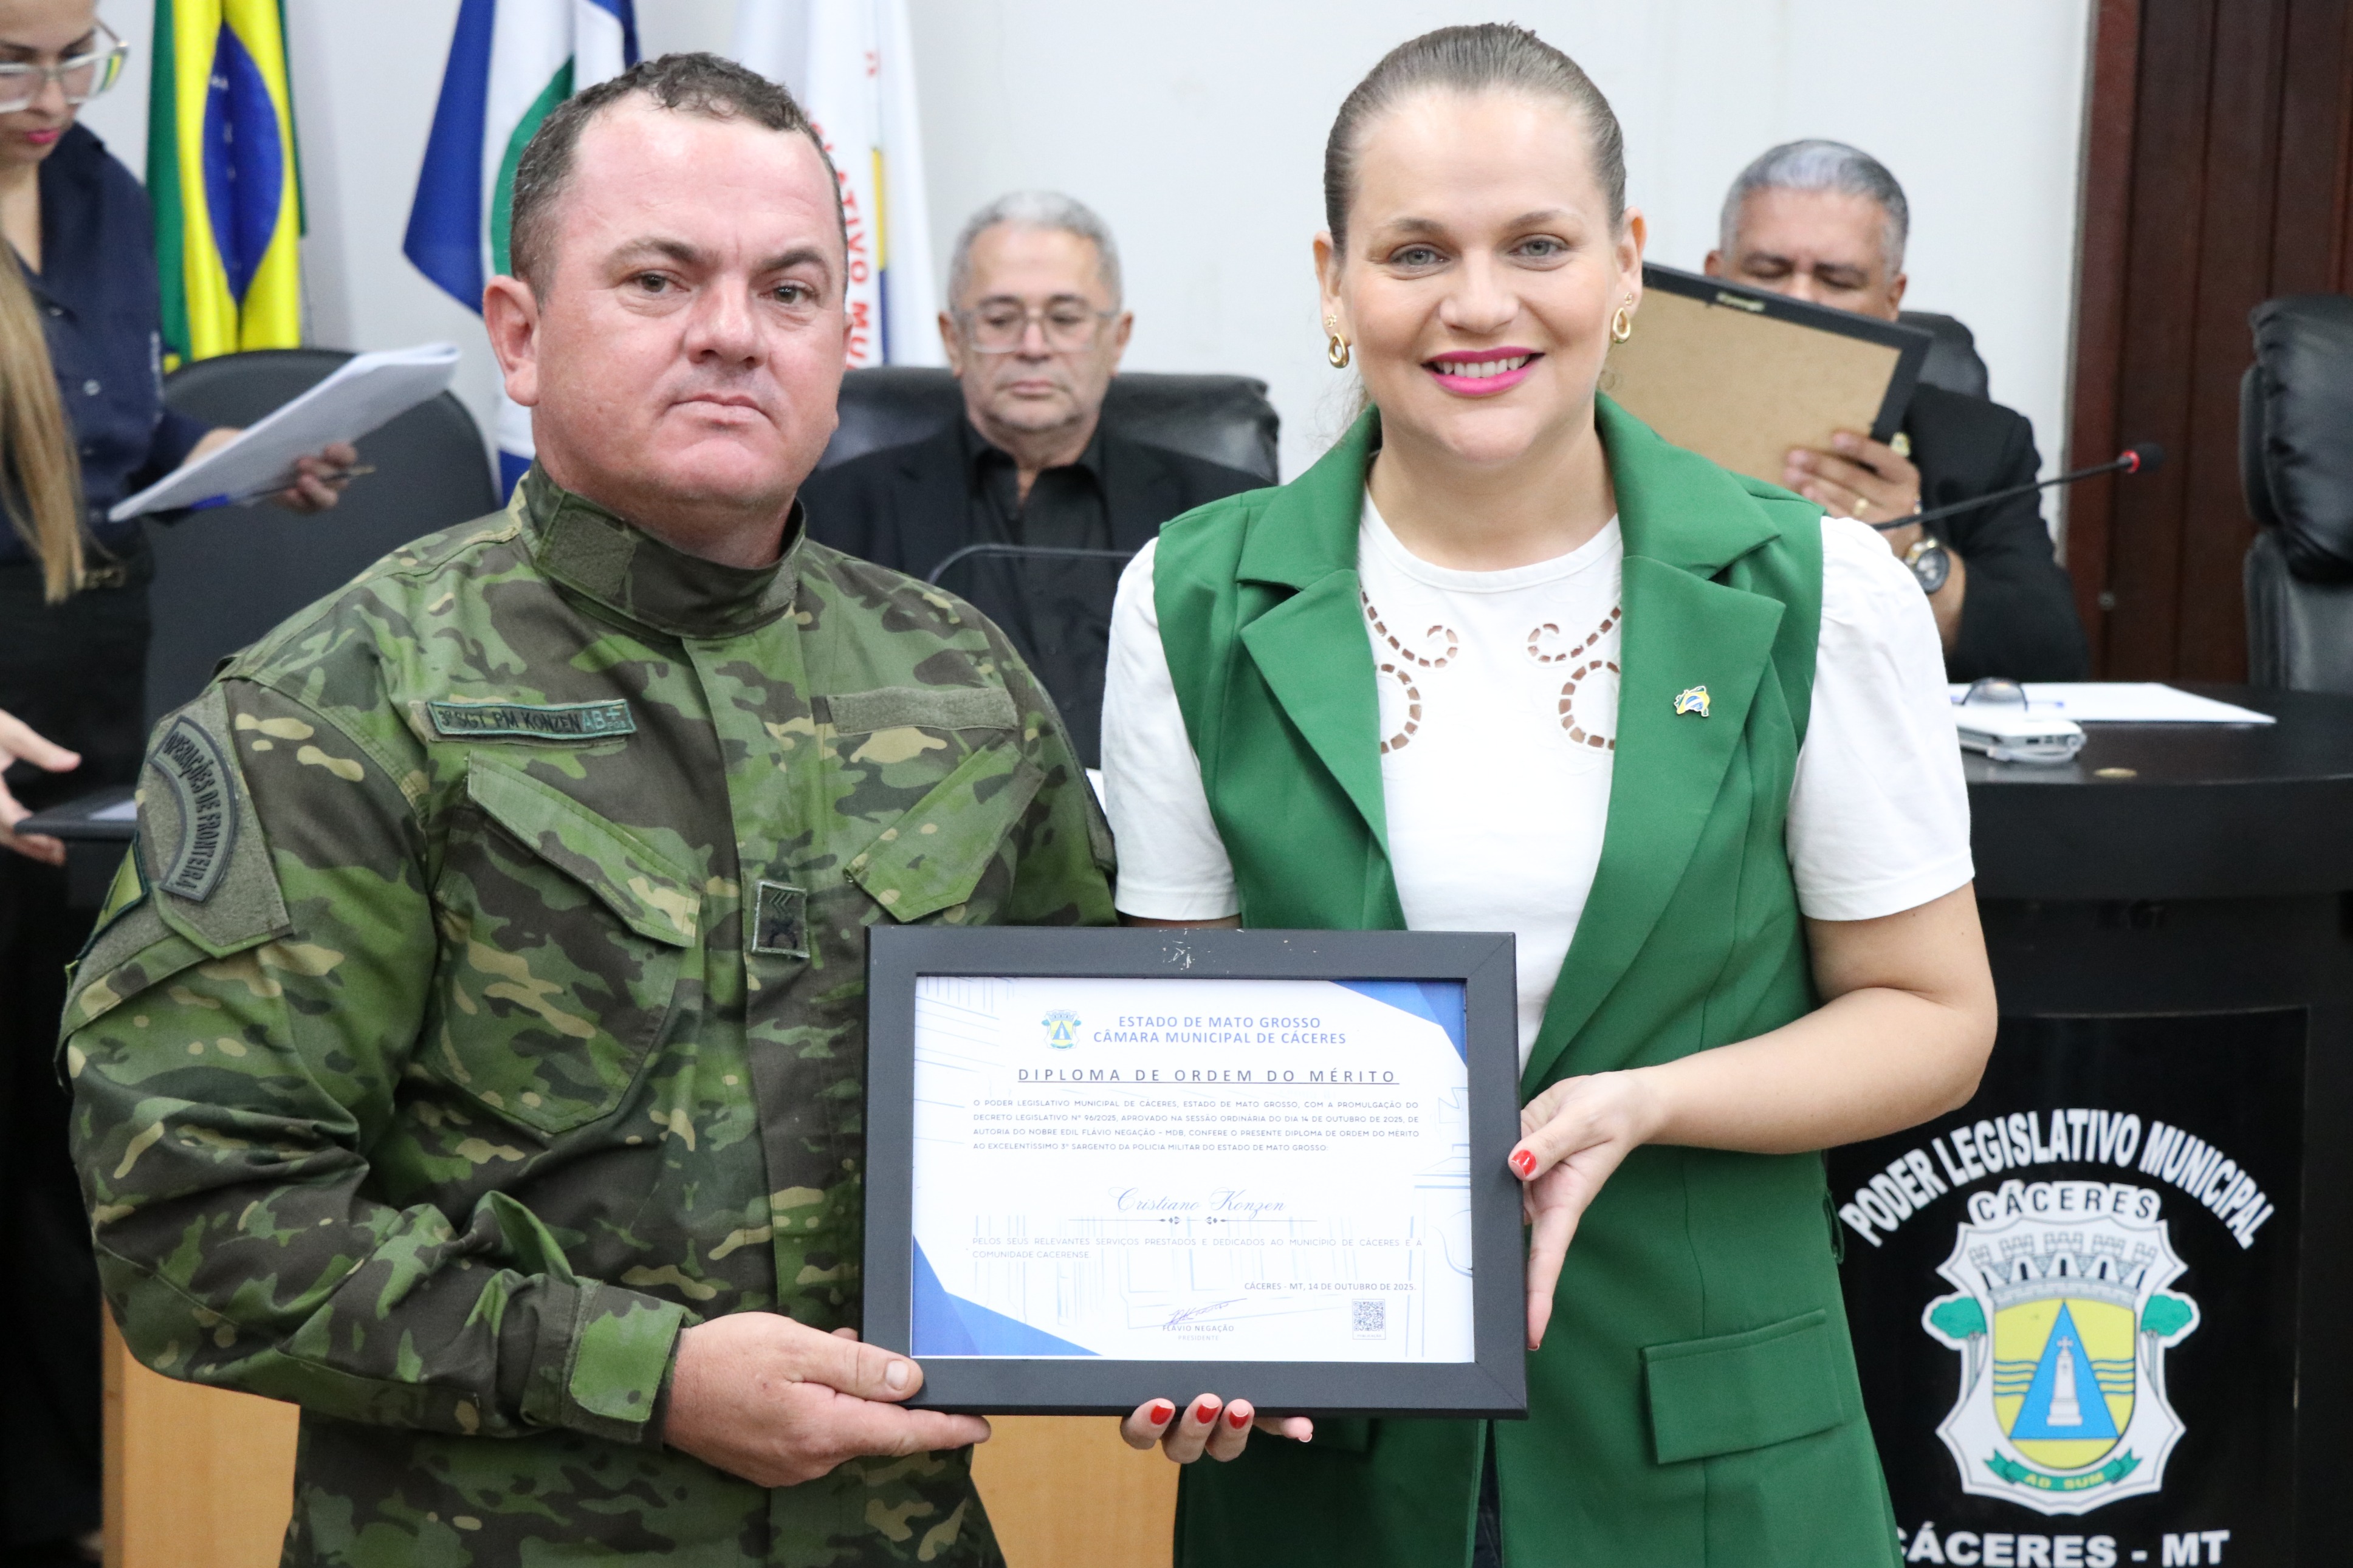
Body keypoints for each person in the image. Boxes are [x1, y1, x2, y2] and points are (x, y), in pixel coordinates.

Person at [65, 52, 1113, 1567]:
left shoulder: (965, 683)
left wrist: (1191, 1324)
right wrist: (648, 1375)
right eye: (657, 277)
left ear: (845, 340)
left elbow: (1083, 1121)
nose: (732, 334)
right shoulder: (340, 702)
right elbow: (195, 1225)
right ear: (520, 333)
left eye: (793, 288)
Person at [1099, 25, 1995, 1567]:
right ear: (1333, 284)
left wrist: (1648, 1101)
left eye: (1537, 243)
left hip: (1713, 1461)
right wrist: (1162, 1308)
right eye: (1412, 250)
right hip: (1326, 1463)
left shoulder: (1819, 589)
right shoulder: (1188, 597)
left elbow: (1932, 1014)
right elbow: (1167, 1046)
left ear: (1630, 266)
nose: (1478, 302)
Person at [0, 3, 347, 1558]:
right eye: (14, 62)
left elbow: (106, 445)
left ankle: (86, 1504)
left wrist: (242, 451)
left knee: (68, 1109)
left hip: (94, 675)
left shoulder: (101, 196)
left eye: (83, 58)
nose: (56, 97)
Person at [801, 191, 1259, 765]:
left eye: (1065, 319)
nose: (1033, 347)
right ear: (954, 339)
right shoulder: (837, 514)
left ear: (1116, 340)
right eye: (1000, 320)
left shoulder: (1226, 515)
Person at [1705, 138, 2090, 682]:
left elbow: (2048, 659)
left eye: (1837, 281)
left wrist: (1909, 549)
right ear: (1716, 276)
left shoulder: (1980, 445)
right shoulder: (1618, 418)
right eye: (1768, 271)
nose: (1799, 301)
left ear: (1892, 300)